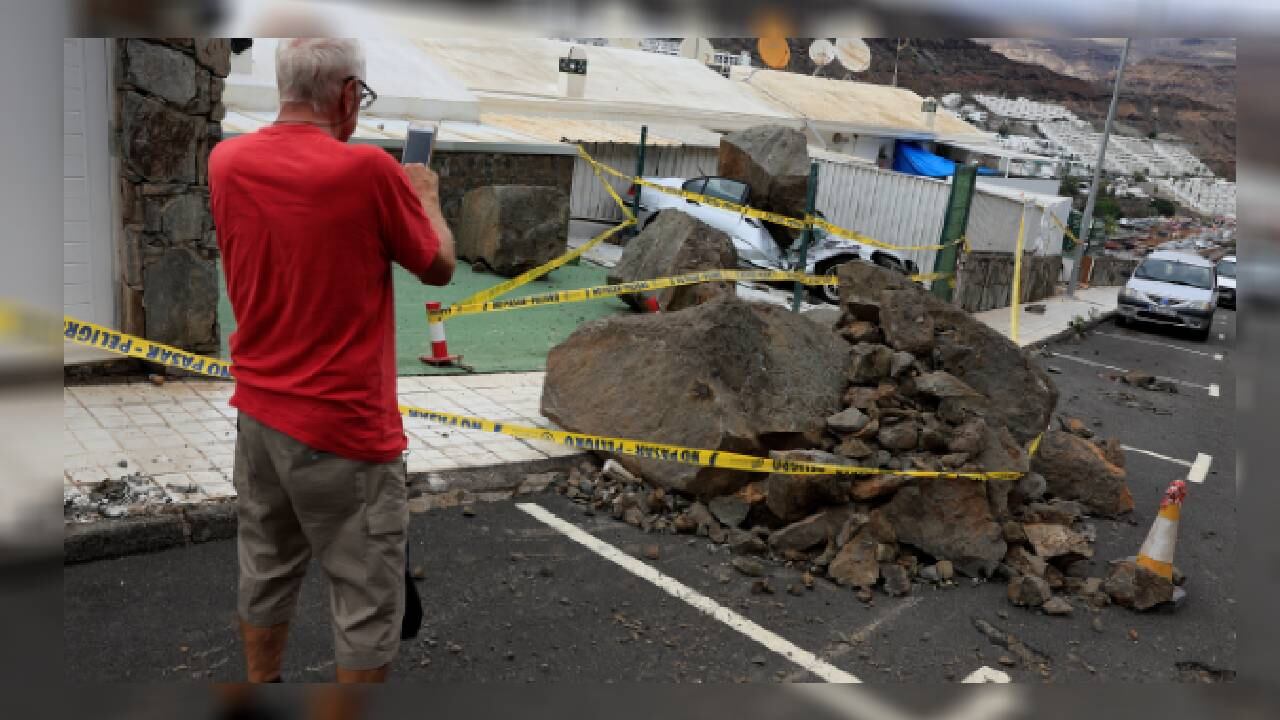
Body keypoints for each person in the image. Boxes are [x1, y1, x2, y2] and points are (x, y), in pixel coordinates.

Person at [208, 37, 455, 684]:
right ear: (347, 95)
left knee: (264, 572)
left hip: (258, 420)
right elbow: (438, 266)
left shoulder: (225, 162)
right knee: (366, 604)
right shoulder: (369, 173)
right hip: (347, 434)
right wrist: (424, 195)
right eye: (361, 97)